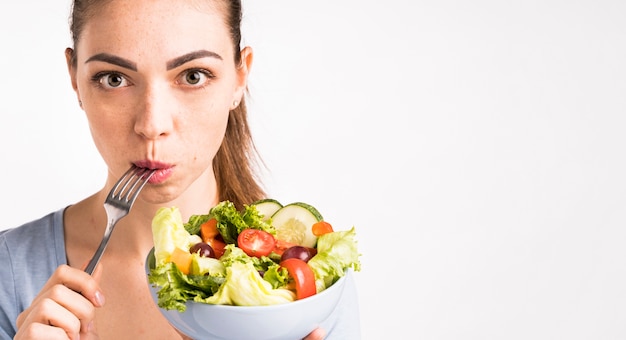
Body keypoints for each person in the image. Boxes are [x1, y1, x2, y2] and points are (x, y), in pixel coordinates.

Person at [0, 0, 361, 339]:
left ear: (239, 77)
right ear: (75, 78)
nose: (152, 124)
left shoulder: (311, 283)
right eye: (114, 79)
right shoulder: (10, 272)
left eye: (193, 76)